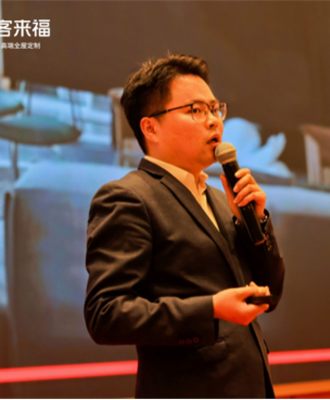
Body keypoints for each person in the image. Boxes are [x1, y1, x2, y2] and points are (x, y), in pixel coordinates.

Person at [84, 54, 285, 398]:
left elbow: (271, 294)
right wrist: (210, 309)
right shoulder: (128, 197)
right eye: (196, 110)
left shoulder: (222, 199)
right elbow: (106, 314)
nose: (214, 121)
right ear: (151, 127)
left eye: (215, 109)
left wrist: (255, 222)